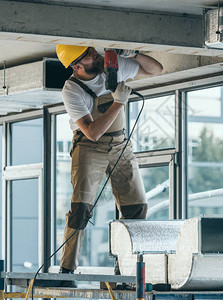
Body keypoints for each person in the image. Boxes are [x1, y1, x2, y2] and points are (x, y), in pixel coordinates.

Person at [55, 45, 163, 287]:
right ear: (77, 66)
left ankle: (123, 270)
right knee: (81, 208)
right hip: (89, 146)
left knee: (137, 207)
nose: (95, 54)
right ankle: (66, 271)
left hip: (120, 144)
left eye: (92, 50)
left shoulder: (110, 67)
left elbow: (156, 69)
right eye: (88, 55)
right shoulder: (71, 90)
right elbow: (92, 132)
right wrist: (118, 103)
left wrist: (131, 54)